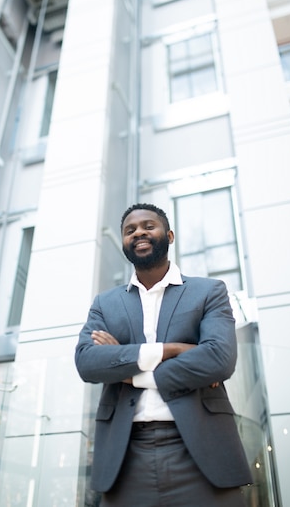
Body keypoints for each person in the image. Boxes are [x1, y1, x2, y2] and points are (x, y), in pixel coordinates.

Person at [75, 203, 252, 507]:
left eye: (148, 226)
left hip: (202, 449)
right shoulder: (105, 303)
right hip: (125, 455)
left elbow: (219, 358)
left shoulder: (208, 291)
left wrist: (129, 370)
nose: (139, 232)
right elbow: (87, 362)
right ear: (123, 244)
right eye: (130, 230)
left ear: (169, 235)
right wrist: (170, 350)